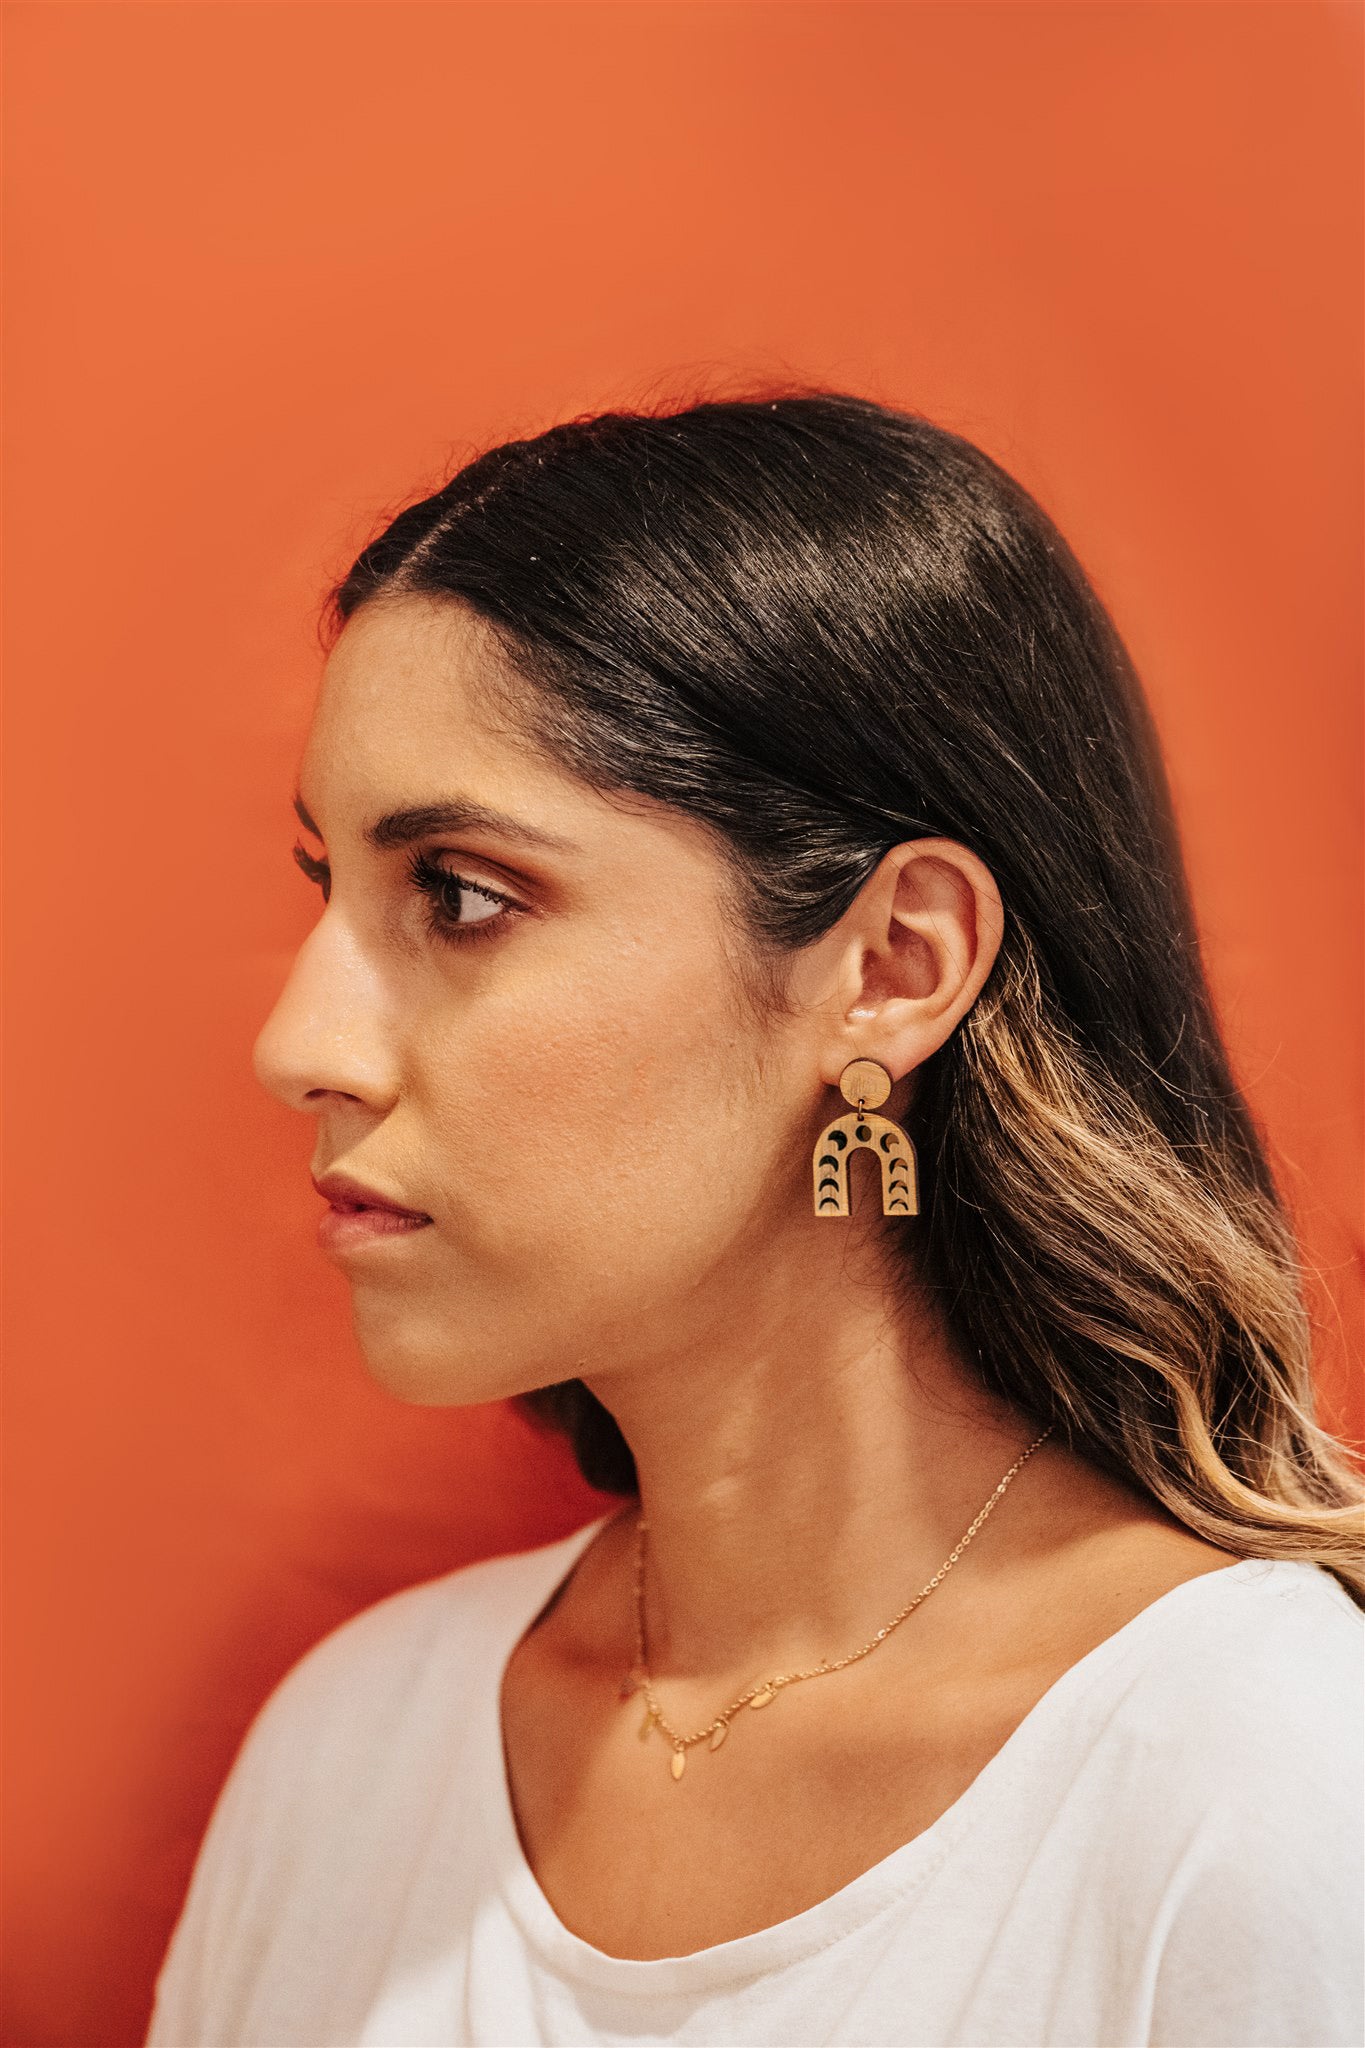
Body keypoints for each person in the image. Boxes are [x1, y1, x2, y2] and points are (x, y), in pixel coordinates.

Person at [146, 391, 1364, 2048]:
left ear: (889, 965)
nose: (300, 1047)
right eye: (331, 893)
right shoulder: (355, 1750)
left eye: (461, 895)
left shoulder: (1267, 1785)